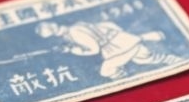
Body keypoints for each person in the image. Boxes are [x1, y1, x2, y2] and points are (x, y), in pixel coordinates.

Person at [35, 20, 180, 79]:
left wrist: (73, 50)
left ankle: (127, 81)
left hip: (114, 48)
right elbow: (107, 24)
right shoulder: (77, 25)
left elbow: (94, 49)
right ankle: (171, 58)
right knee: (146, 58)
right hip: (121, 39)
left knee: (106, 70)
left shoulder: (74, 32)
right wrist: (120, 34)